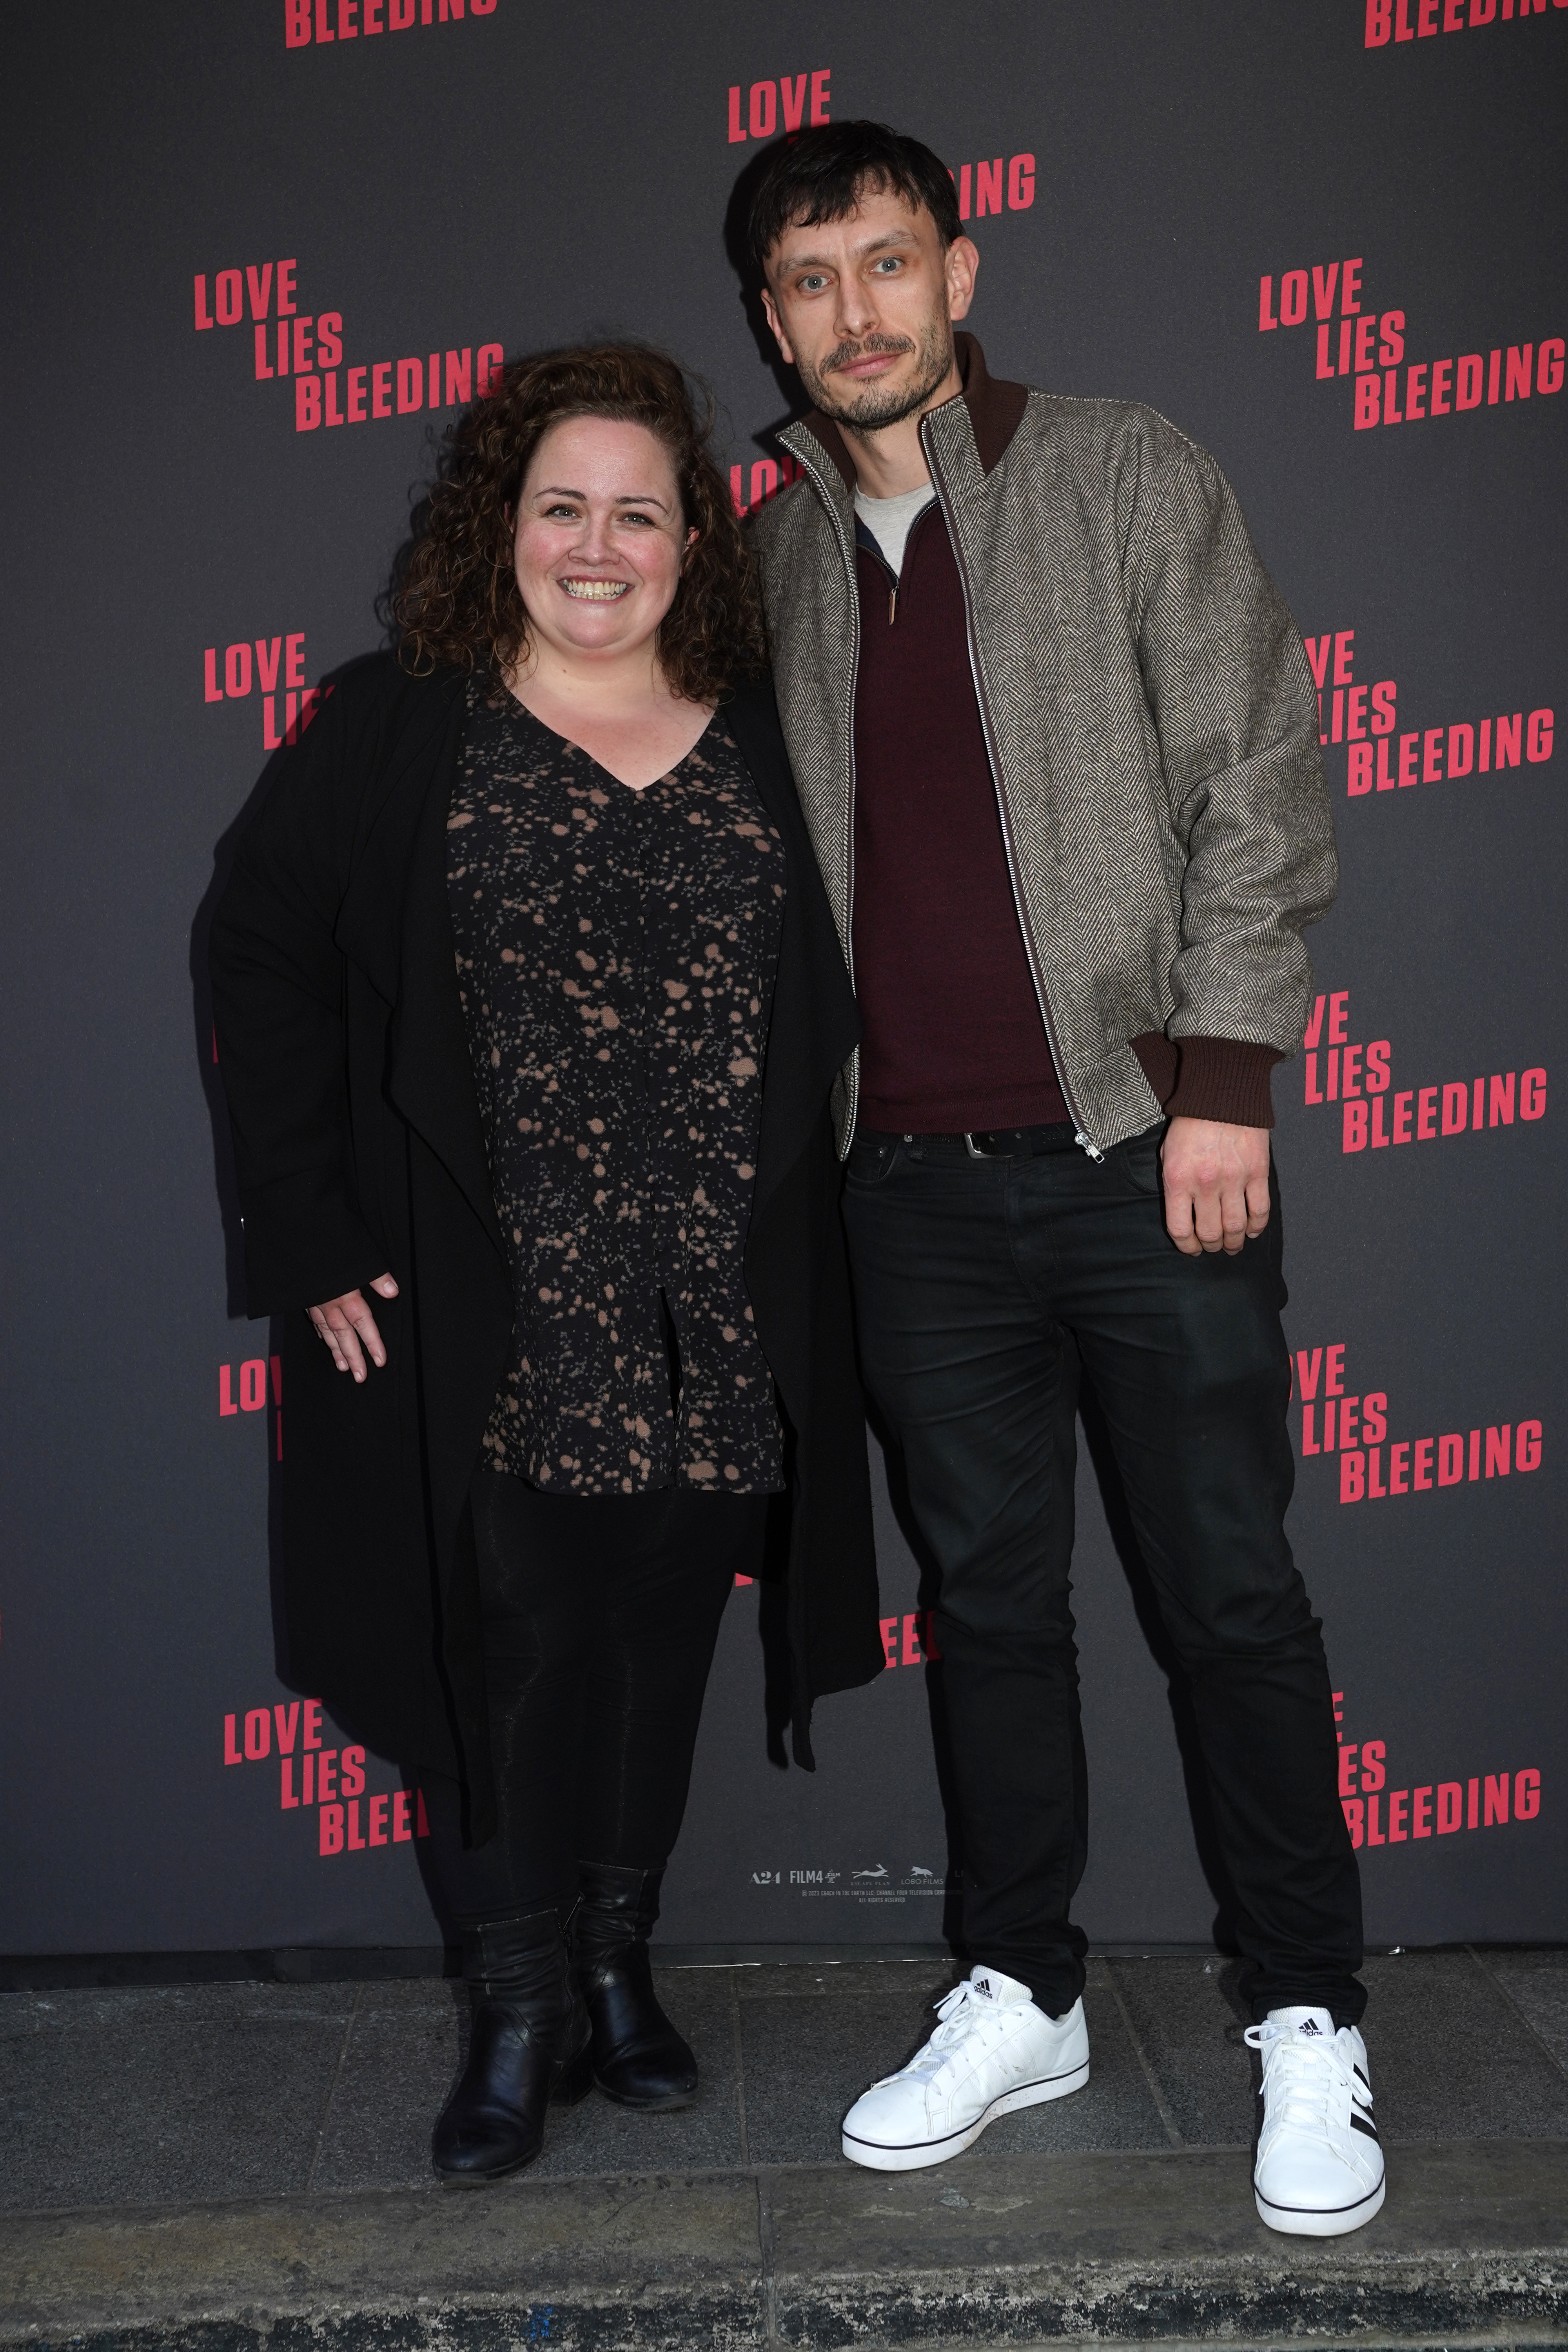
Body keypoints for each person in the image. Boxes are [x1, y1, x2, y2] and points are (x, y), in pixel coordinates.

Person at [744, 123, 1381, 2236]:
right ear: (774, 318)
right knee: (992, 1614)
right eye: (813, 281)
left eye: (888, 263)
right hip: (908, 1195)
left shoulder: (1124, 471)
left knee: (1230, 1600)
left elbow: (1260, 779)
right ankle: (1025, 1985)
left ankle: (1310, 2014)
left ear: (961, 265)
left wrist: (1225, 1083)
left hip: (1144, 1160)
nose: (857, 312)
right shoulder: (774, 554)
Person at [209, 345, 881, 2186]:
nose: (598, 547)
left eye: (638, 513)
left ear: (691, 545)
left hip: (705, 1301)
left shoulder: (762, 732)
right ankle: (510, 2013)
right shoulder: (394, 724)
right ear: (500, 527)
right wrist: (313, 1230)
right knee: (497, 1656)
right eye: (560, 506)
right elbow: (253, 959)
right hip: (477, 1300)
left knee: (654, 1649)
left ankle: (611, 1972)